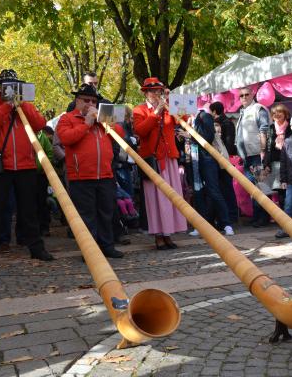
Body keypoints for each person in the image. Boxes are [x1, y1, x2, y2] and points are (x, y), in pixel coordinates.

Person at [0, 69, 54, 268]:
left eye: (13, 85)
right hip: (1, 167)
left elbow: (40, 124)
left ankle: (36, 248)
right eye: (6, 86)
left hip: (25, 165)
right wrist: (5, 107)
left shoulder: (26, 106)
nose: (9, 89)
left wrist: (23, 106)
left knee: (29, 210)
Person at [56, 84, 124, 258]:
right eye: (86, 100)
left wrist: (103, 120)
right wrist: (86, 124)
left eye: (93, 101)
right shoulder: (67, 118)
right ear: (77, 101)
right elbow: (66, 138)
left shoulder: (103, 117)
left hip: (105, 174)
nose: (90, 103)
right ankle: (90, 252)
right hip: (81, 176)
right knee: (87, 216)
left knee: (106, 213)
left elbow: (120, 134)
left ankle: (107, 246)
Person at [133, 77, 187, 249]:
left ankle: (169, 234)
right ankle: (158, 235)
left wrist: (172, 100)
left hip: (169, 158)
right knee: (155, 199)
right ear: (146, 93)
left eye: (159, 91)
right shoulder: (139, 110)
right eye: (153, 91)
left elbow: (183, 118)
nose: (157, 94)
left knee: (172, 197)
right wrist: (156, 113)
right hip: (153, 160)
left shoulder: (168, 108)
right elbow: (140, 131)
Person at [193, 107, 234, 236]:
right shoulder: (182, 119)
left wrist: (191, 135)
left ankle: (226, 224)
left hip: (207, 158)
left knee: (214, 191)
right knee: (199, 193)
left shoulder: (202, 115)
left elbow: (207, 137)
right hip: (194, 159)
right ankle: (203, 225)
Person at [235, 86, 271, 227]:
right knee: (253, 189)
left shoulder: (258, 108)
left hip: (257, 154)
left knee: (260, 187)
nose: (243, 97)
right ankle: (257, 216)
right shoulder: (243, 111)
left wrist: (263, 151)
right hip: (247, 156)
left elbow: (264, 129)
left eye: (246, 94)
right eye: (241, 95)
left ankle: (263, 217)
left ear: (252, 94)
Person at [210, 102, 238, 224]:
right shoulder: (228, 122)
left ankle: (230, 216)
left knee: (226, 189)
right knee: (227, 188)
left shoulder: (222, 124)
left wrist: (222, 157)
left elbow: (228, 144)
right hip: (225, 159)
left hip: (223, 160)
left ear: (214, 111)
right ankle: (231, 215)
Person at [264, 104, 292, 211]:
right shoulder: (271, 128)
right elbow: (268, 147)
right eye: (274, 113)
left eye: (280, 112)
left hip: (290, 162)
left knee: (291, 190)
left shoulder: (291, 127)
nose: (277, 114)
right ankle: (285, 217)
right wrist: (266, 164)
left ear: (285, 114)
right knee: (280, 191)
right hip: (276, 163)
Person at [35, 126, 54, 236]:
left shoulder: (42, 136)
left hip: (40, 174)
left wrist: (45, 166)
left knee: (42, 201)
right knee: (30, 202)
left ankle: (44, 227)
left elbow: (50, 152)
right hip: (28, 174)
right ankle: (34, 228)